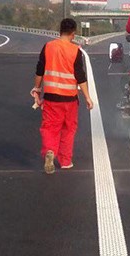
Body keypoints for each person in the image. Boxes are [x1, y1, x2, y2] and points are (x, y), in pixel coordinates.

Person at [31, 18, 94, 174]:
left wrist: (37, 89)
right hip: (70, 99)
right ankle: (65, 161)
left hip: (51, 98)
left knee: (49, 128)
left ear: (60, 30)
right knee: (68, 129)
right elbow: (80, 76)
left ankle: (49, 151)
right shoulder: (75, 51)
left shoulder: (48, 47)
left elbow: (39, 70)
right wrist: (87, 97)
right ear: (73, 33)